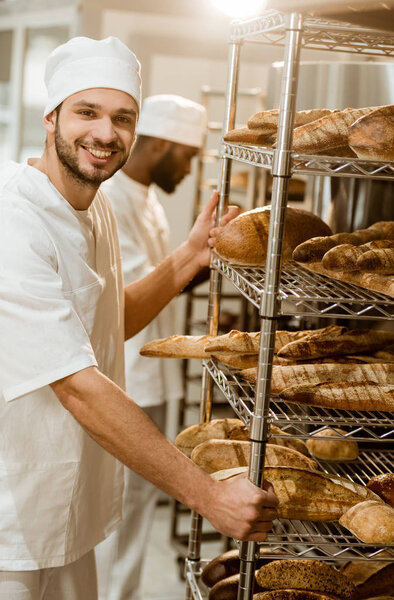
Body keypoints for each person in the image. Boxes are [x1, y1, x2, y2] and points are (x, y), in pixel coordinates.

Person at [0, 36, 278, 600]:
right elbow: (77, 386)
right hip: (12, 521)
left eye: (122, 117)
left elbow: (109, 321)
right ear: (51, 116)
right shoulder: (14, 220)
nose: (105, 133)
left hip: (68, 513)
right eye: (87, 112)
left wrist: (189, 257)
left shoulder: (93, 204)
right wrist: (207, 495)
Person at [95, 94, 207, 600]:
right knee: (118, 507)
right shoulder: (110, 197)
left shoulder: (148, 199)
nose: (188, 171)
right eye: (186, 157)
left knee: (135, 505)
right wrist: (198, 259)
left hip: (151, 378)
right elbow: (136, 292)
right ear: (161, 144)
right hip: (126, 381)